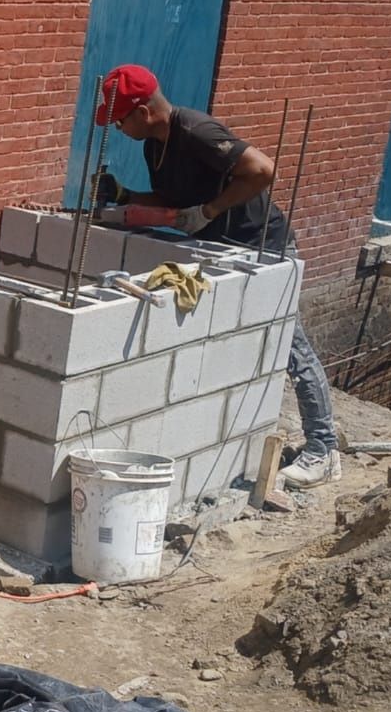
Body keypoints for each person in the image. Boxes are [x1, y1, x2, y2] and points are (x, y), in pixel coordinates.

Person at [93, 61, 340, 487]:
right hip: (221, 248)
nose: (118, 129)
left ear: (144, 112)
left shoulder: (195, 131)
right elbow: (174, 199)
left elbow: (262, 170)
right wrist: (125, 196)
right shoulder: (154, 147)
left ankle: (324, 449)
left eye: (119, 120)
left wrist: (211, 211)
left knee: (289, 348)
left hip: (261, 245)